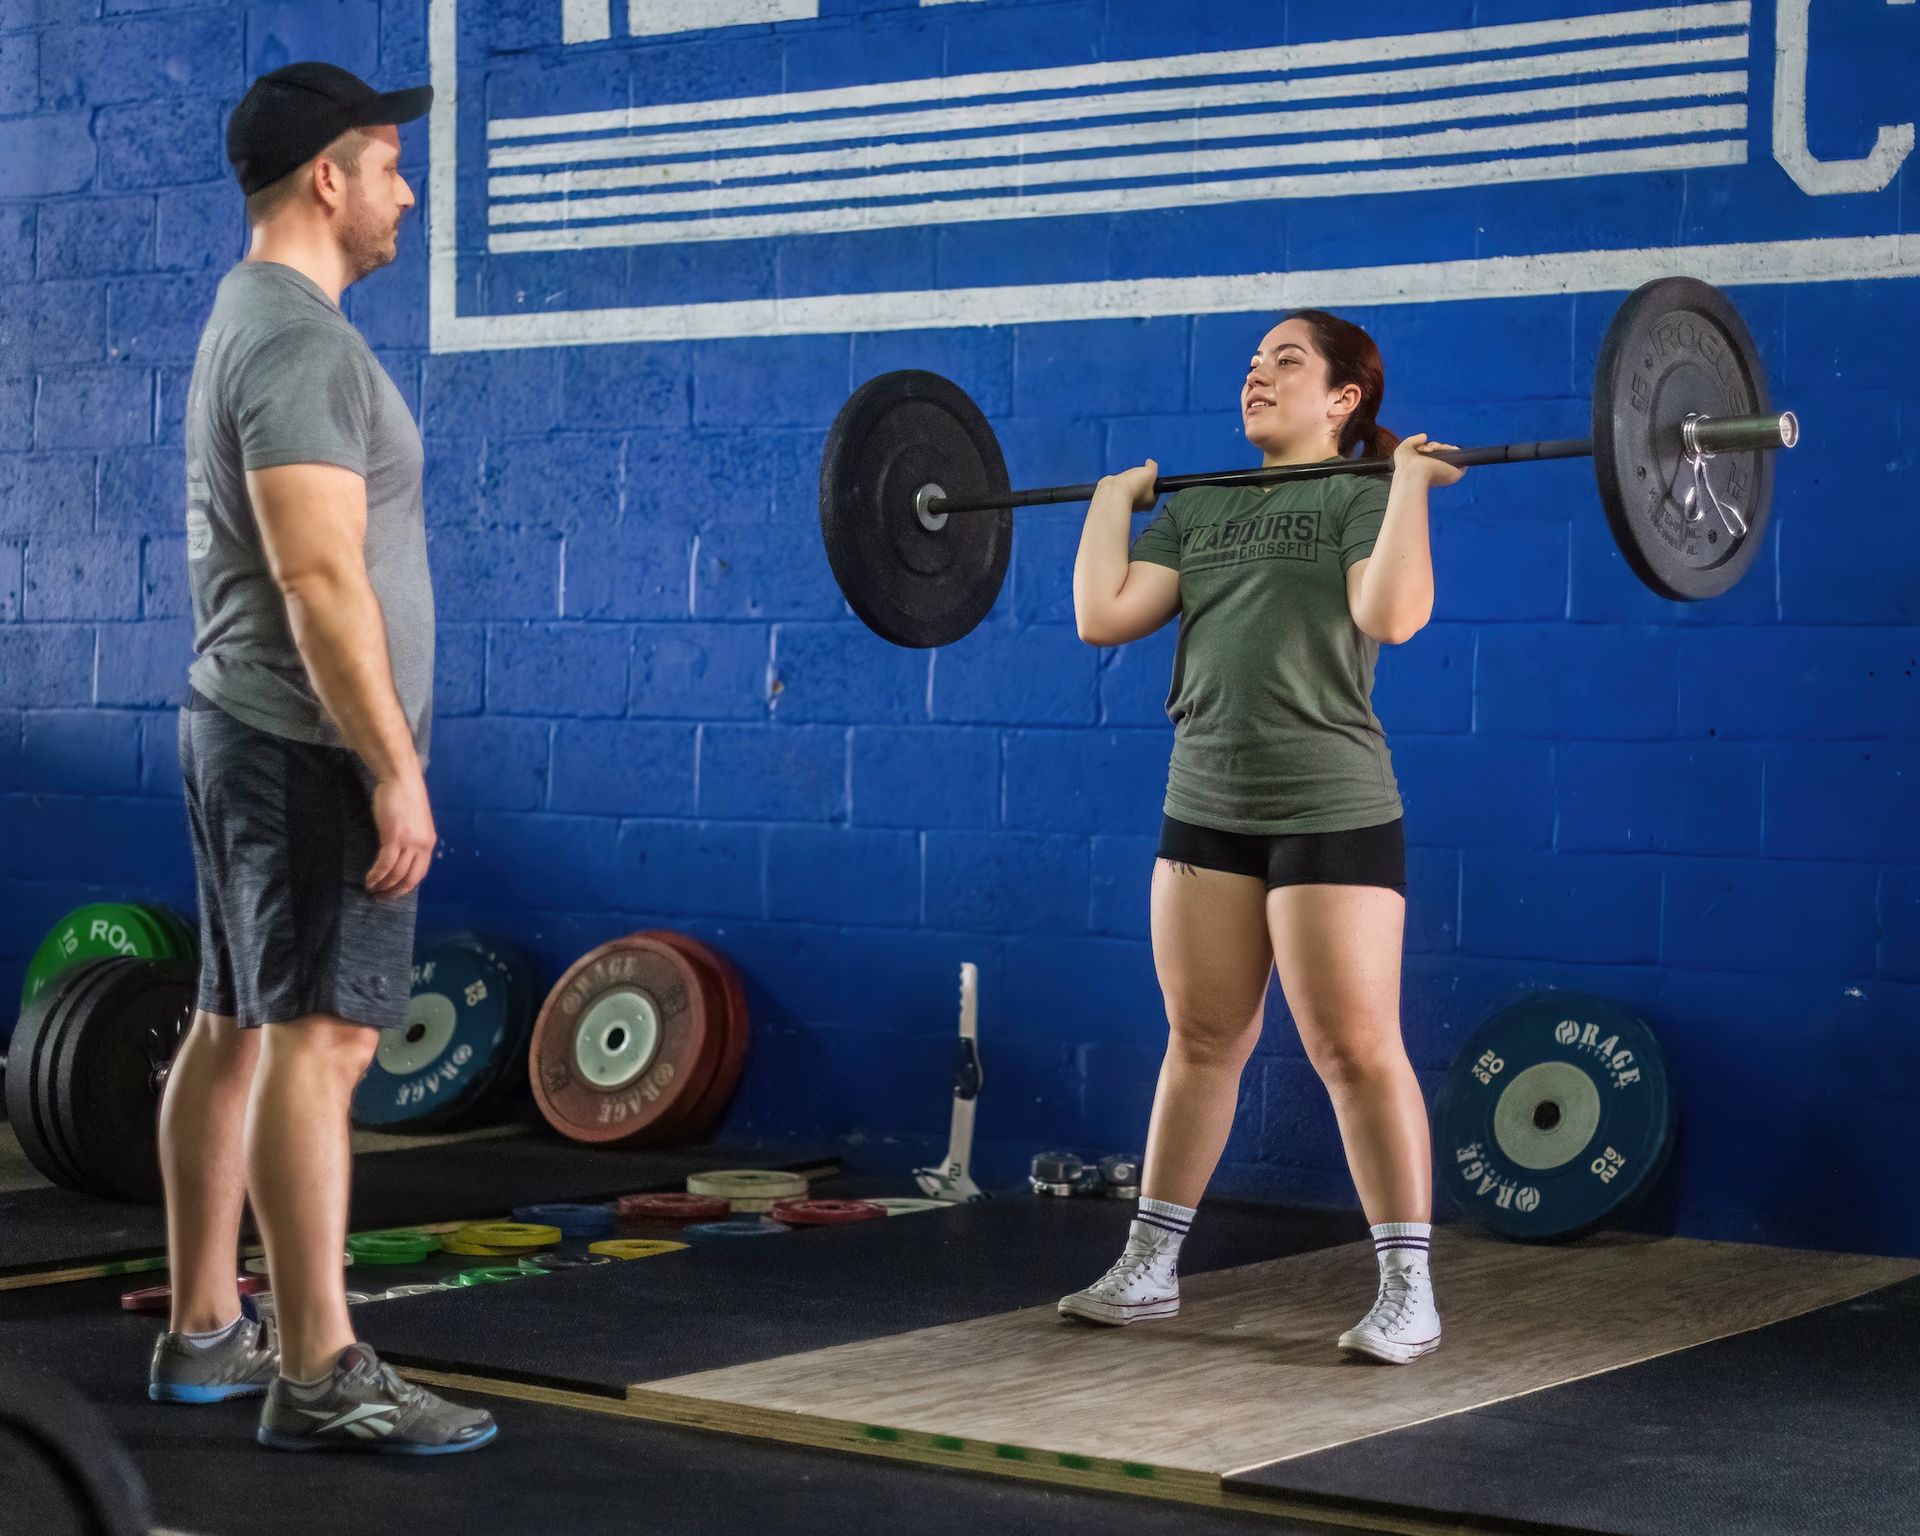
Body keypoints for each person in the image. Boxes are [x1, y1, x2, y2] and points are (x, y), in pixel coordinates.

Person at [146, 61, 495, 1453]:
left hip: (247, 724)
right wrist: (391, 764)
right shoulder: (294, 339)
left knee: (236, 1027)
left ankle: (203, 1331)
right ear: (326, 179)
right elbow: (317, 575)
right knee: (326, 1039)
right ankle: (319, 1366)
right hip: (300, 741)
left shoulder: (263, 321)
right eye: (391, 164)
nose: (408, 189)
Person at [1058, 308, 1463, 1364]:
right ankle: (1148, 1268)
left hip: (1331, 803)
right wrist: (1110, 505)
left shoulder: (1356, 493)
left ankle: (1409, 1290)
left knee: (1354, 1050)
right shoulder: (1200, 511)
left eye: (1287, 361)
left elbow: (1393, 617)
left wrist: (1406, 486)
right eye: (1251, 363)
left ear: (1343, 400)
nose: (1258, 375)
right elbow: (1104, 614)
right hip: (1206, 798)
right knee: (1201, 1041)